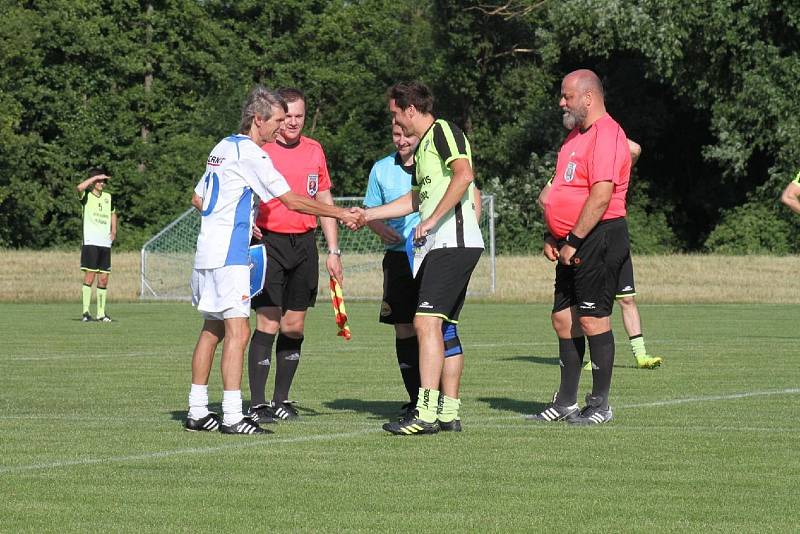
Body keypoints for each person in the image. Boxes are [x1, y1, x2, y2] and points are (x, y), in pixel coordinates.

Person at [185, 85, 361, 435]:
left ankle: (197, 410)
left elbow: (197, 198)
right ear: (258, 119)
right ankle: (234, 416)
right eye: (277, 121)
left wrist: (234, 218)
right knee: (240, 330)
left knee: (212, 329)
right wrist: (339, 212)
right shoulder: (253, 154)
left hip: (207, 250)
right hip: (230, 255)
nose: (282, 127)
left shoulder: (222, 146)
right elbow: (292, 201)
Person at [363, 81, 484, 435]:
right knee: (442, 327)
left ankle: (425, 413)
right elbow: (415, 201)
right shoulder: (424, 148)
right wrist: (368, 215)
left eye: (395, 113)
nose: (395, 121)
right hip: (439, 246)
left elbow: (465, 175)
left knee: (424, 323)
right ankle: (448, 413)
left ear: (409, 109)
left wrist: (431, 221)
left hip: (453, 243)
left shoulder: (444, 130)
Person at [528, 69, 631, 425]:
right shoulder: (574, 137)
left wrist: (573, 240)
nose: (561, 102)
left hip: (599, 235)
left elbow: (601, 196)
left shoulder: (608, 134)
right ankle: (567, 401)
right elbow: (557, 192)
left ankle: (600, 404)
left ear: (588, 98)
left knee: (591, 317)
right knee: (562, 319)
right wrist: (553, 235)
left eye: (566, 95)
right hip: (569, 240)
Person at [245, 87, 345, 423]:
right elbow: (241, 188)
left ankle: (281, 400)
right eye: (287, 116)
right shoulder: (262, 149)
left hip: (304, 245)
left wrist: (333, 250)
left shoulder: (315, 150)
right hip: (269, 241)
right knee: (268, 320)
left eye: (299, 116)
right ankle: (257, 403)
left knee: (294, 325)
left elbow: (325, 201)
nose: (292, 122)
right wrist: (247, 224)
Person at [537, 140, 662, 370]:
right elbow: (545, 199)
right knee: (587, 310)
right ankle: (596, 359)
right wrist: (550, 235)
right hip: (584, 245)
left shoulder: (608, 162)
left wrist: (602, 134)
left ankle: (641, 355)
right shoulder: (567, 172)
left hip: (609, 240)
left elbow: (634, 149)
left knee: (626, 298)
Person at [76, 168, 117, 322]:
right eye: (99, 180)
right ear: (93, 181)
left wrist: (114, 230)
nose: (101, 183)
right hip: (91, 242)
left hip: (104, 243)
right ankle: (86, 312)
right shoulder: (86, 195)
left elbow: (113, 212)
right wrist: (95, 178)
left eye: (103, 181)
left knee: (104, 279)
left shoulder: (108, 197)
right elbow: (79, 187)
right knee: (90, 276)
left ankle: (101, 313)